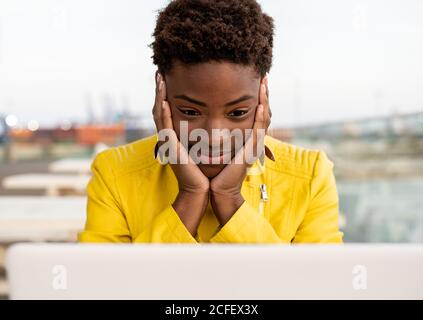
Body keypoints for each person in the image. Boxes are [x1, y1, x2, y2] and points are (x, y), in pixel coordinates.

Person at [78, 0, 343, 244]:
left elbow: (314, 289)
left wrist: (229, 199)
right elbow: (110, 290)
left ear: (263, 97)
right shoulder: (114, 174)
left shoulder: (310, 176)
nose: (215, 136)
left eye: (237, 113)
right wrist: (191, 196)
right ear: (162, 96)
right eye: (190, 112)